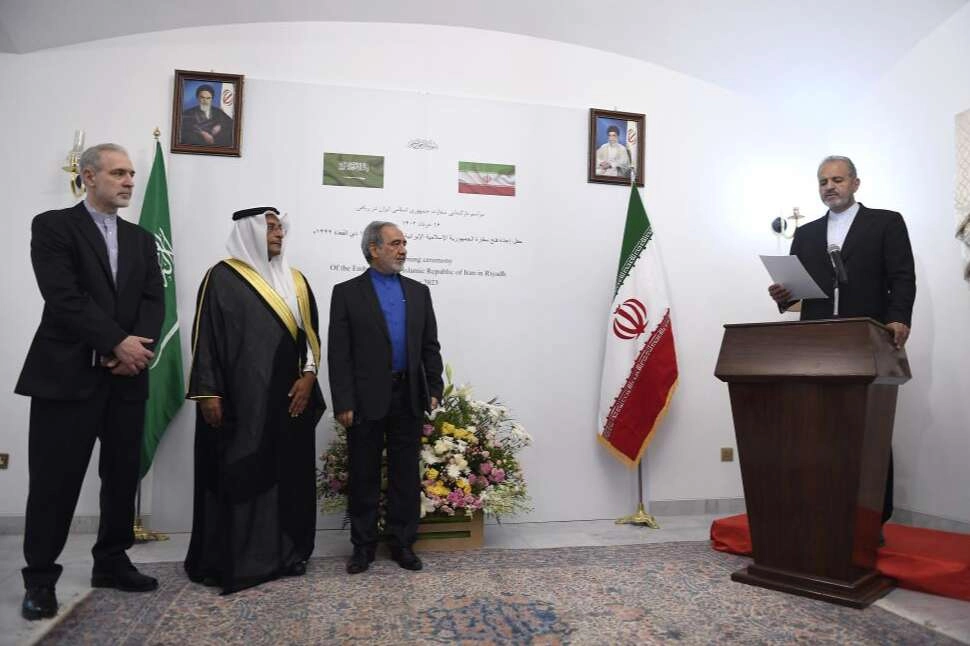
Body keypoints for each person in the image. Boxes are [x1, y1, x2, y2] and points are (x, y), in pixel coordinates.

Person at [15, 143, 164, 620]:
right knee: (54, 483)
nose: (129, 181)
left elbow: (154, 300)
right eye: (118, 173)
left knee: (120, 478)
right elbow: (64, 297)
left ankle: (112, 563)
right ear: (88, 176)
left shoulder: (141, 239)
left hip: (127, 379)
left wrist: (135, 351)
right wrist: (117, 342)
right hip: (66, 376)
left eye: (132, 174)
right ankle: (40, 580)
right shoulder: (53, 226)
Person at [184, 207, 326, 594]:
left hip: (290, 400)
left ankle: (288, 553)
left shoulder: (296, 281)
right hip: (239, 402)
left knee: (288, 476)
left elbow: (310, 339)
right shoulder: (221, 277)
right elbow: (206, 338)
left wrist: (309, 378)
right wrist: (208, 392)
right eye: (270, 228)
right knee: (241, 473)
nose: (278, 234)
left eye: (281, 228)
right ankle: (235, 559)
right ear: (248, 232)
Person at [768, 155, 916, 525]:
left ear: (855, 183)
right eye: (823, 182)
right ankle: (820, 510)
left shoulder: (885, 222)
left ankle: (873, 516)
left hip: (866, 339)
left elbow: (902, 276)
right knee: (816, 427)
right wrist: (783, 294)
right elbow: (797, 290)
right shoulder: (806, 234)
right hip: (816, 342)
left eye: (837, 180)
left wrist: (899, 316)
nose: (829, 187)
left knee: (869, 428)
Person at [328, 221, 444, 574]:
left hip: (408, 395)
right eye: (395, 243)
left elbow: (430, 345)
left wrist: (434, 388)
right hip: (364, 400)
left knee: (405, 474)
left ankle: (402, 544)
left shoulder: (419, 292)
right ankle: (363, 547)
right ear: (373, 249)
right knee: (363, 474)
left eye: (404, 243)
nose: (403, 250)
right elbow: (339, 353)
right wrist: (343, 402)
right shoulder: (347, 293)